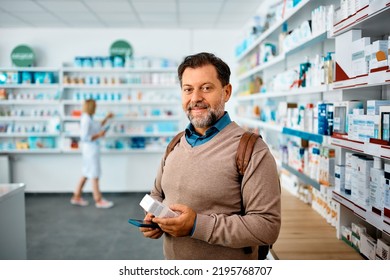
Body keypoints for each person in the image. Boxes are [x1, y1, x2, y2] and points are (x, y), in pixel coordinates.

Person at [140, 52, 281, 259]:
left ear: (226, 92)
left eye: (206, 88)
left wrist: (196, 225)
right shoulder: (175, 144)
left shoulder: (251, 150)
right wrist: (153, 218)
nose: (195, 98)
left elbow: (267, 227)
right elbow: (157, 194)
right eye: (188, 89)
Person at [70, 99, 114, 209]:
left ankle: (76, 197)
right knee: (94, 174)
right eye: (95, 106)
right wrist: (99, 135)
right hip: (90, 150)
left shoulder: (89, 117)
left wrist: (107, 118)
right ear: (91, 107)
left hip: (90, 150)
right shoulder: (86, 119)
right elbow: (84, 137)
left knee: (86, 173)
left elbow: (97, 126)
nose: (96, 108)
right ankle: (98, 200)